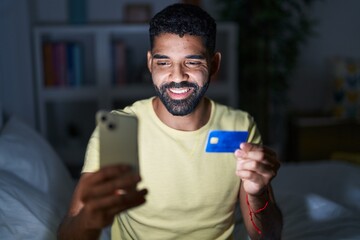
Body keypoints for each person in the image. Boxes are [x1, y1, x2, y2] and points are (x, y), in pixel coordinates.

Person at [58, 3, 283, 240]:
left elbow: (268, 237)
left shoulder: (240, 126)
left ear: (214, 64)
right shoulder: (120, 129)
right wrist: (89, 217)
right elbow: (67, 234)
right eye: (163, 62)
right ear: (149, 62)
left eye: (192, 62)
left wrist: (257, 193)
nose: (176, 77)